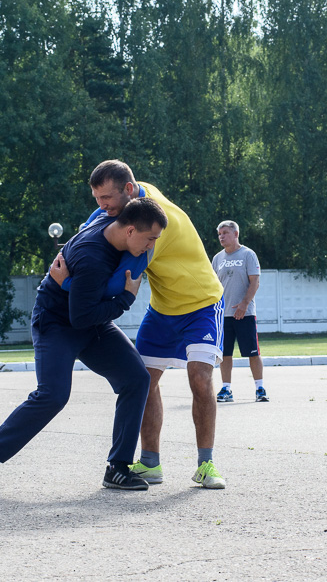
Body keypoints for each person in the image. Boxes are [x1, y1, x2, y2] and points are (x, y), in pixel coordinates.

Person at [0, 198, 166, 491]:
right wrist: (125, 298)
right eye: (150, 239)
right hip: (57, 323)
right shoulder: (92, 258)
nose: (151, 247)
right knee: (53, 395)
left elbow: (118, 196)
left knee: (137, 378)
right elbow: (82, 316)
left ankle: (118, 468)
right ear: (130, 231)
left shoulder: (106, 219)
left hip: (91, 321)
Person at [52, 160, 228, 489]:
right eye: (97, 198)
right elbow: (98, 222)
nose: (103, 205)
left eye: (106, 197)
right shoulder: (140, 195)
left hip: (202, 303)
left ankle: (207, 464)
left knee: (200, 380)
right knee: (143, 381)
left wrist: (66, 283)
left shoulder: (151, 231)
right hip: (163, 308)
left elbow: (116, 284)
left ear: (128, 191)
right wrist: (76, 242)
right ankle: (150, 463)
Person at [212, 220, 267, 403]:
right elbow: (213, 286)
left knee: (252, 352)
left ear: (236, 234)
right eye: (219, 233)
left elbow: (255, 282)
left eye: (225, 232)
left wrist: (244, 304)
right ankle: (226, 389)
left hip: (245, 313)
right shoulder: (217, 258)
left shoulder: (248, 254)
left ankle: (260, 388)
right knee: (225, 354)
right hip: (223, 314)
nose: (221, 236)